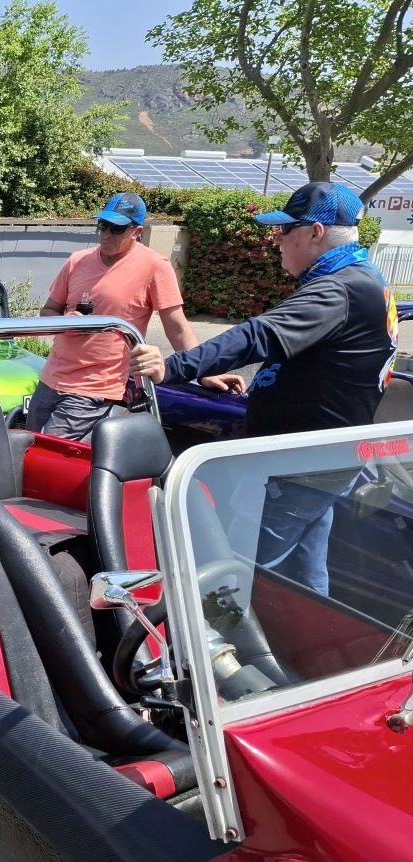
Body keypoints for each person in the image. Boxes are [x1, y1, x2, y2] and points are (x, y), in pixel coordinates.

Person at [130, 181, 397, 595]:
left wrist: (172, 367)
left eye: (285, 230)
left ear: (315, 232)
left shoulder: (338, 290)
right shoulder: (365, 278)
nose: (276, 239)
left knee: (240, 575)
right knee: (306, 572)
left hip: (303, 464)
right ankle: (314, 644)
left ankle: (219, 648)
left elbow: (259, 335)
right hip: (326, 459)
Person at [26, 192, 242, 442]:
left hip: (95, 387)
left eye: (116, 229)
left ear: (136, 231)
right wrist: (68, 320)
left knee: (49, 454)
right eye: (103, 226)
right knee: (28, 450)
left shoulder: (154, 265)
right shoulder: (78, 261)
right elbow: (48, 310)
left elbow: (177, 327)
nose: (106, 234)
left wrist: (205, 371)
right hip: (51, 378)